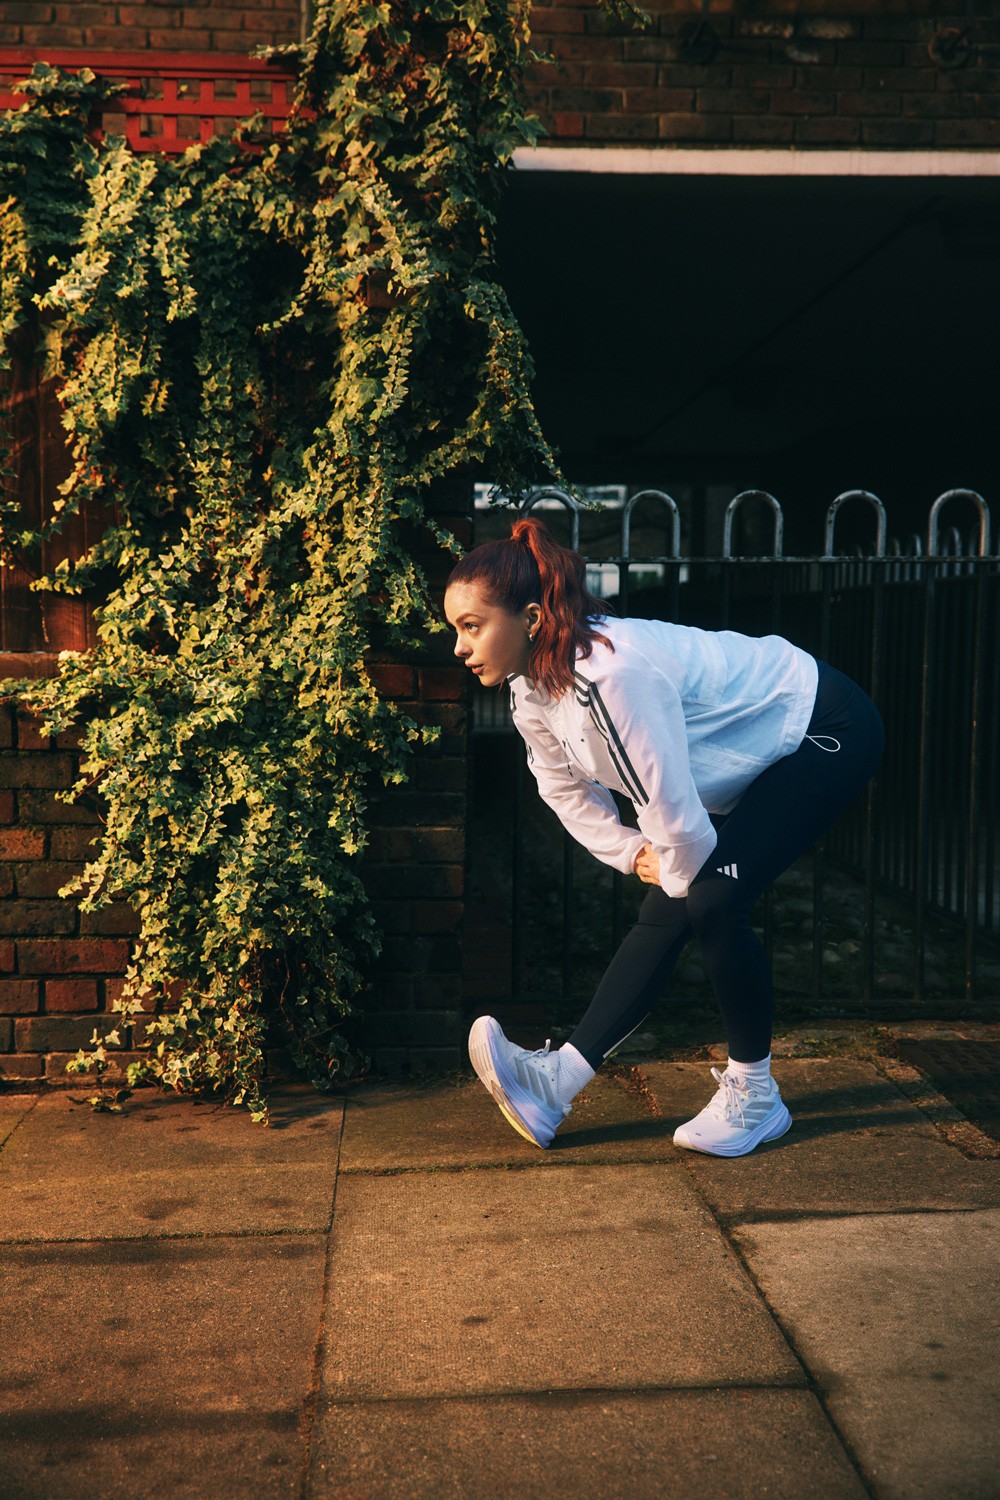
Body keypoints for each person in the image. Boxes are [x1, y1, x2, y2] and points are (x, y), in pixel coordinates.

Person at [445, 515, 885, 1157]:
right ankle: (554, 1085)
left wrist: (670, 862)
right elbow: (561, 788)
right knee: (676, 904)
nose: (459, 647)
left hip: (819, 725)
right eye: (456, 629)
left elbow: (666, 802)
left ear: (532, 618)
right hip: (750, 754)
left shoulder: (610, 675)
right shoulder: (531, 690)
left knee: (711, 900)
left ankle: (756, 1096)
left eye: (471, 626)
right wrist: (633, 852)